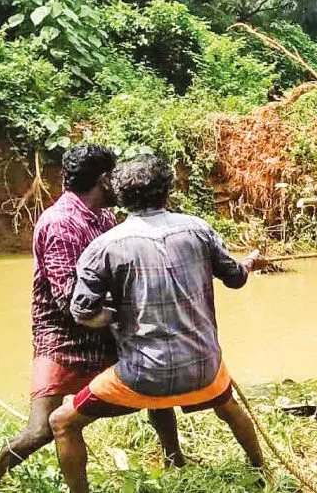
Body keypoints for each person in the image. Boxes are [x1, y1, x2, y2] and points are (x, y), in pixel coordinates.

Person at [48, 154, 266, 493]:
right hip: (204, 369)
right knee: (229, 406)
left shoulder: (102, 247)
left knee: (61, 422)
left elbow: (82, 312)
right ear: (168, 190)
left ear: (119, 196)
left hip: (142, 377)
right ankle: (263, 470)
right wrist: (251, 262)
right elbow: (236, 278)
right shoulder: (198, 229)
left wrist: (115, 317)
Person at [0, 146, 184, 482]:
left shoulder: (104, 218)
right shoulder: (60, 223)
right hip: (63, 336)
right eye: (115, 177)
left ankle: (175, 460)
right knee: (40, 431)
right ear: (104, 180)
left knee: (157, 392)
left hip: (103, 326)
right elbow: (68, 300)